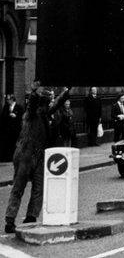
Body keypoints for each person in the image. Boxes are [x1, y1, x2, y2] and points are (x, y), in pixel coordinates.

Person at [4, 86, 71, 234]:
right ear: (44, 102)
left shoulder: (45, 114)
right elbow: (33, 103)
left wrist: (67, 92)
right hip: (25, 154)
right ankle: (10, 220)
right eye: (49, 100)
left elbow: (58, 104)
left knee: (38, 188)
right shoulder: (31, 113)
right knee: (19, 187)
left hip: (38, 155)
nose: (51, 103)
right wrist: (34, 92)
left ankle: (31, 217)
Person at [1, 96, 24, 162]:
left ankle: (15, 157)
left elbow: (22, 117)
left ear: (12, 100)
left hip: (15, 129)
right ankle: (8, 157)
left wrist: (16, 116)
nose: (7, 101)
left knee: (15, 143)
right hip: (7, 130)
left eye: (8, 99)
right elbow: (3, 117)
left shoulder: (19, 107)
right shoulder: (6, 107)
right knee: (8, 143)